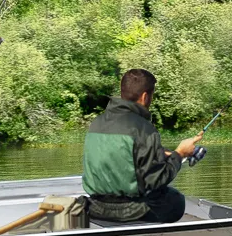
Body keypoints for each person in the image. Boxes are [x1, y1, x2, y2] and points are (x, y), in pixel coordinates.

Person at [83, 68, 203, 224]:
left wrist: (169, 153)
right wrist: (179, 155)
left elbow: (125, 155)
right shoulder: (144, 129)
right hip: (127, 211)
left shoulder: (97, 123)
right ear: (145, 96)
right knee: (175, 200)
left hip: (95, 207)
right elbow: (156, 180)